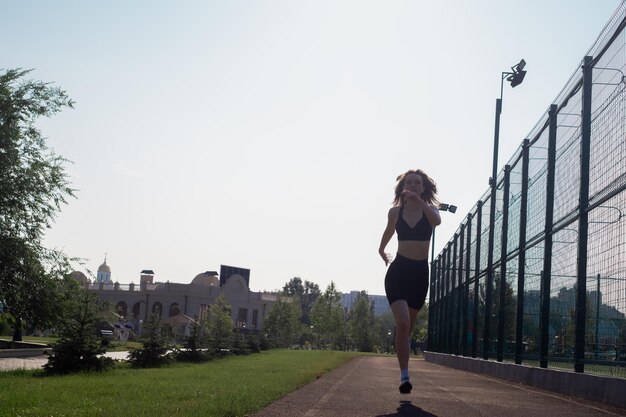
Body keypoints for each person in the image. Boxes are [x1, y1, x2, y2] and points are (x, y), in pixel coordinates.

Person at [378, 169, 441, 394]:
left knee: (409, 326)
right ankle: (404, 375)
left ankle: (403, 348)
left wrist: (420, 203)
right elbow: (388, 231)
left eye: (418, 183)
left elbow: (437, 221)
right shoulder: (395, 212)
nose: (414, 185)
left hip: (420, 274)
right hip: (398, 271)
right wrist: (381, 249)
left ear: (423, 188)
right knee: (403, 323)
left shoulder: (430, 210)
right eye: (410, 182)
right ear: (403, 186)